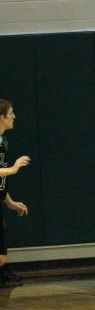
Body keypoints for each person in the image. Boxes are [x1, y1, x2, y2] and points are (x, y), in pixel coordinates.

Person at [0, 100, 29, 287]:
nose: (14, 116)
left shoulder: (3, 141)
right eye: (11, 113)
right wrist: (12, 169)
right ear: (1, 117)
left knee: (1, 257)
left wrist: (10, 202)